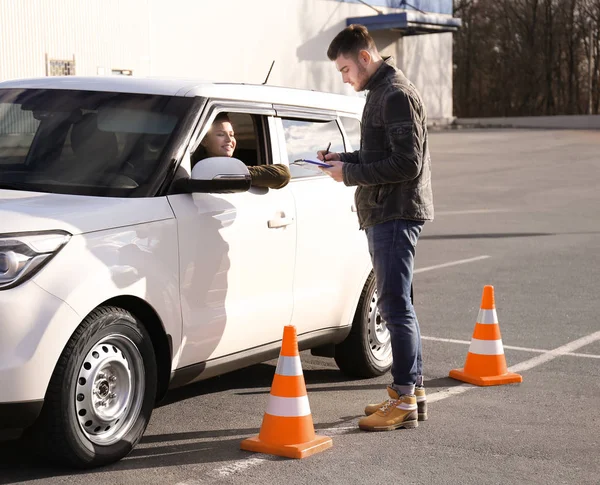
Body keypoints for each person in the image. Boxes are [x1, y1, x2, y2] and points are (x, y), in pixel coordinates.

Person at [318, 24, 434, 431]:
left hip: (395, 211)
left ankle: (403, 398)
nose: (345, 77)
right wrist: (342, 158)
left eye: (346, 69)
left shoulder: (396, 94)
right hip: (387, 210)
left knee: (394, 305)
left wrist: (348, 173)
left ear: (365, 58)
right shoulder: (380, 92)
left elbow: (407, 164)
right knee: (399, 303)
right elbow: (379, 153)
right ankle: (411, 391)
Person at [196, 112, 290, 189]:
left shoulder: (238, 165)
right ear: (204, 141)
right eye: (221, 134)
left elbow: (282, 174)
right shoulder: (191, 169)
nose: (229, 140)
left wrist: (237, 172)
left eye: (232, 135)